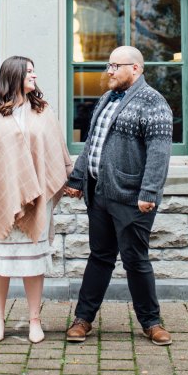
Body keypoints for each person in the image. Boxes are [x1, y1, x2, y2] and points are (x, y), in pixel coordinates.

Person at [63, 46, 173, 346]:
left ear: (135, 69)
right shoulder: (106, 99)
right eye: (108, 65)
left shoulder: (153, 102)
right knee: (99, 257)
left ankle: (151, 323)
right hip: (98, 194)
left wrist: (149, 191)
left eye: (115, 66)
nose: (109, 71)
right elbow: (92, 144)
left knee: (136, 260)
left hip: (132, 197)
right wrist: (76, 178)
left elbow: (160, 152)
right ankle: (83, 319)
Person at [0, 56, 72, 344]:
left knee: (33, 263)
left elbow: (57, 150)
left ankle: (35, 320)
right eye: (29, 72)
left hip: (36, 200)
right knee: (0, 263)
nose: (34, 76)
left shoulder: (43, 111)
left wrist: (69, 179)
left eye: (35, 71)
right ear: (14, 76)